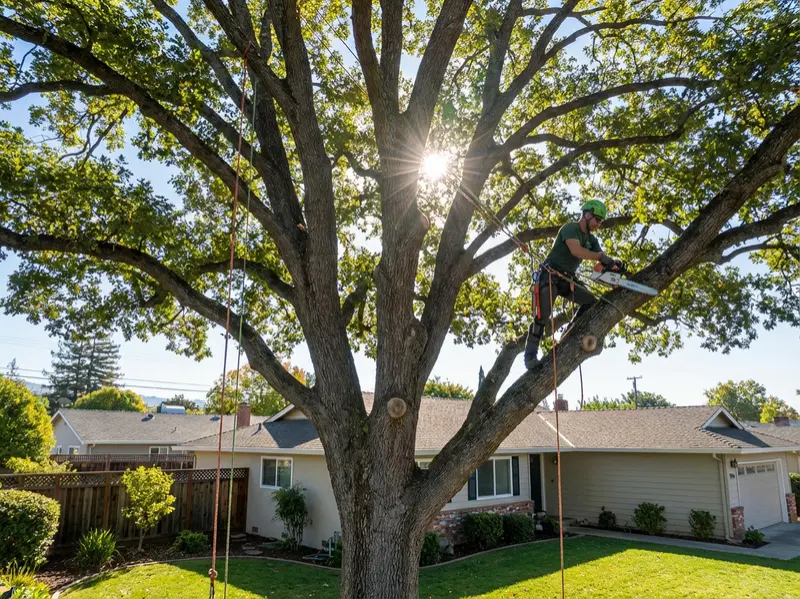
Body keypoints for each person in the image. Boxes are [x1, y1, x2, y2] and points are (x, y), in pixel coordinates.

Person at [524, 200, 623, 368]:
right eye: (597, 220)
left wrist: (612, 266)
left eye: (600, 222)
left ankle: (569, 331)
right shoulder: (570, 229)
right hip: (550, 275)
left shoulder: (591, 239)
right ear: (587, 214)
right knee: (542, 316)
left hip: (567, 279)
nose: (598, 224)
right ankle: (530, 357)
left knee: (590, 301)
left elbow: (598, 266)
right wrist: (599, 256)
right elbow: (576, 251)